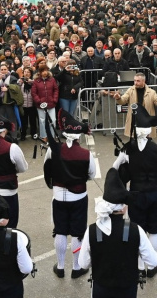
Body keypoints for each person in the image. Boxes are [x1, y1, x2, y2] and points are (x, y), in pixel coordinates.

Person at [77, 168, 157, 298]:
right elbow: (153, 262)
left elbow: (83, 264)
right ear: (124, 208)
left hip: (101, 290)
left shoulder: (92, 230)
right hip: (127, 291)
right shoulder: (136, 230)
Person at [112, 105, 157, 278]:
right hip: (156, 192)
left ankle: (138, 267)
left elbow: (114, 170)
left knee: (137, 230)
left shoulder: (127, 150)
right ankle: (151, 266)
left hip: (136, 194)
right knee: (155, 230)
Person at [43, 112, 94, 278]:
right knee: (78, 233)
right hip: (79, 197)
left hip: (58, 196)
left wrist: (54, 183)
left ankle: (60, 267)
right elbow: (91, 175)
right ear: (79, 136)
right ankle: (76, 268)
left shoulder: (53, 150)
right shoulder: (87, 155)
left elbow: (47, 169)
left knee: (60, 231)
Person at [110, 72, 157, 138]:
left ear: (144, 81)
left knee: (147, 141)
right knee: (134, 141)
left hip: (146, 120)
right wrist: (118, 98)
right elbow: (123, 100)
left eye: (138, 81)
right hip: (134, 119)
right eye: (135, 80)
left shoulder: (151, 92)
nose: (135, 83)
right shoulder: (130, 90)